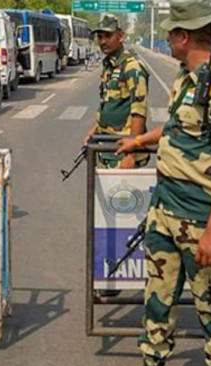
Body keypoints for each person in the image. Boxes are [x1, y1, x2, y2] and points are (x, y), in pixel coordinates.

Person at [115, 0, 211, 366]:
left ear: (183, 37)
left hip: (200, 219)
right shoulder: (186, 78)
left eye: (172, 34)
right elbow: (176, 126)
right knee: (157, 301)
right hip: (164, 212)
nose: (168, 40)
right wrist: (139, 140)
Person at [84, 14, 149, 297]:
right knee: (104, 217)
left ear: (120, 36)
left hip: (123, 152)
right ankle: (107, 273)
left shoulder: (133, 68)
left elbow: (138, 110)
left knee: (124, 219)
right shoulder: (109, 66)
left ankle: (120, 276)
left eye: (107, 36)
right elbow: (106, 105)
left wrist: (131, 152)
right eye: (99, 36)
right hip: (106, 149)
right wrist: (92, 132)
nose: (102, 41)